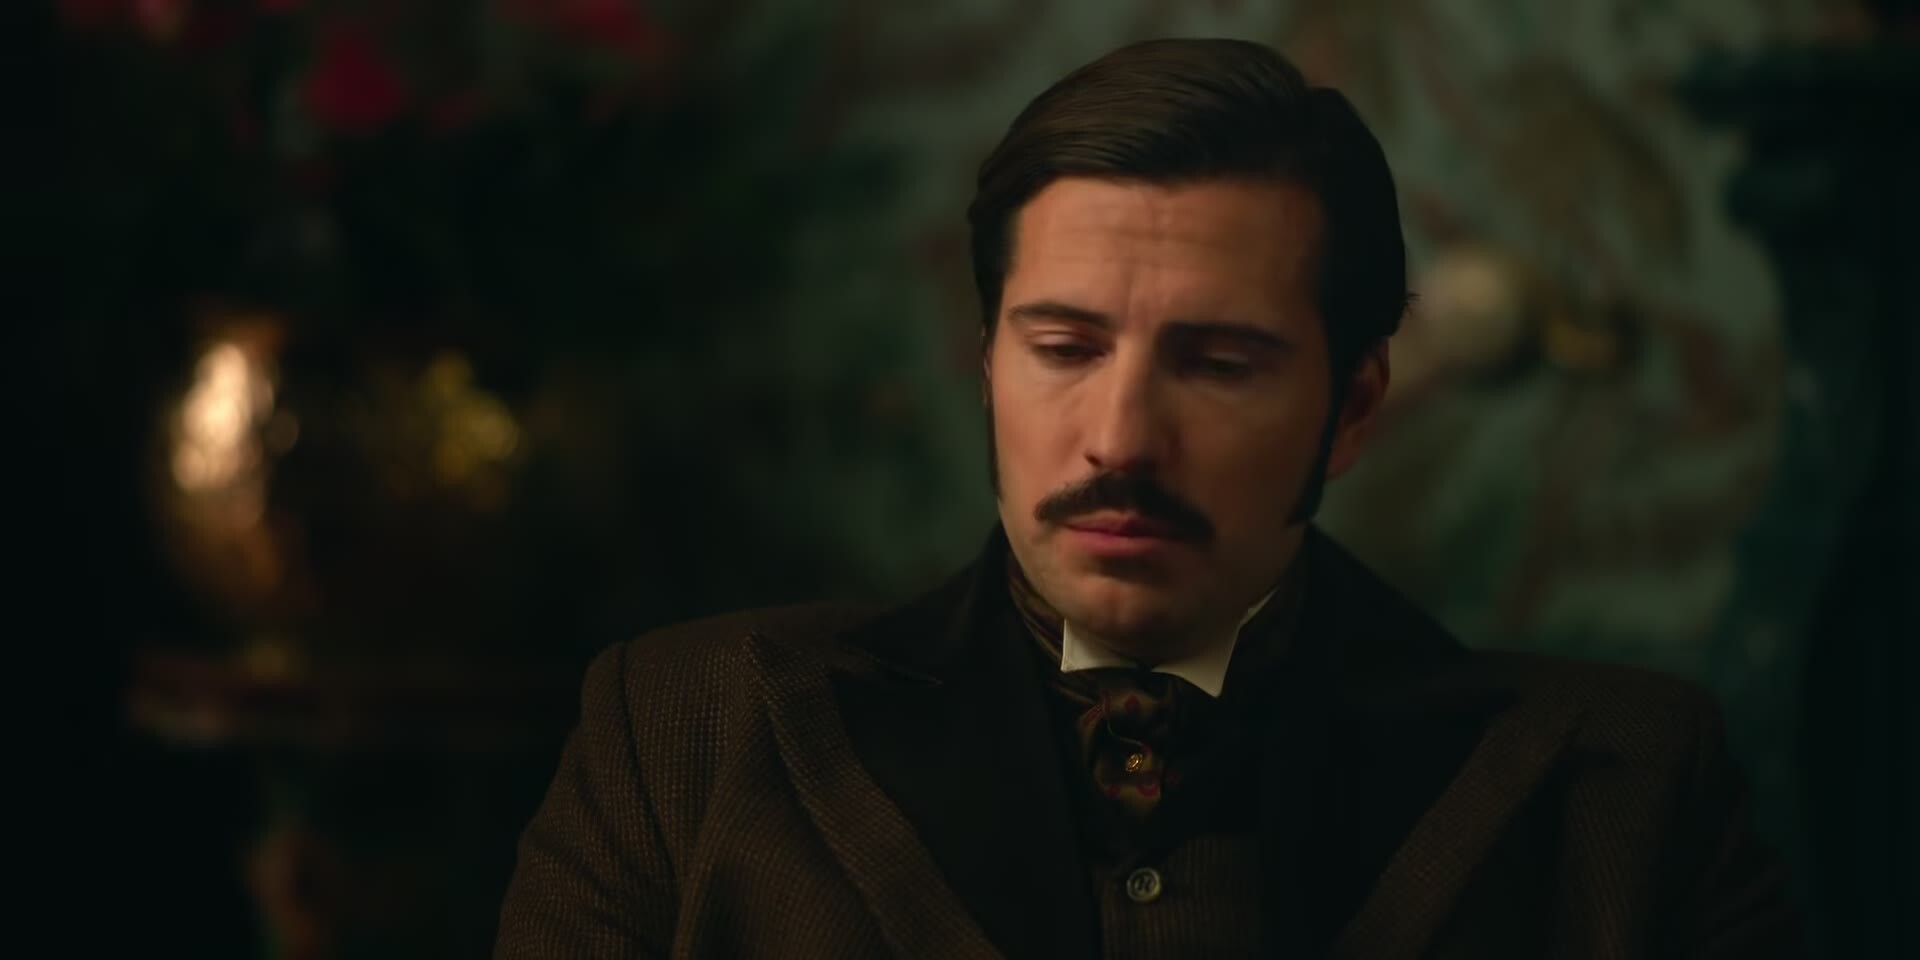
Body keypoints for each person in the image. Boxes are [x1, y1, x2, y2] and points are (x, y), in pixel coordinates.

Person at [495, 37, 1798, 958]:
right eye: (1064, 349)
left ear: (1352, 407)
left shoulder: (1625, 795)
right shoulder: (688, 742)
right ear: (989, 365)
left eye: (1219, 364)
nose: (1119, 439)